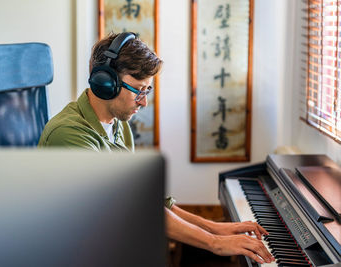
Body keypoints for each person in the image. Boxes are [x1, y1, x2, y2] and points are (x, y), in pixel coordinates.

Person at [38, 32, 275, 264]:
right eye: (138, 90)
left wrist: (215, 227)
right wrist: (214, 243)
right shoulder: (69, 136)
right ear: (105, 83)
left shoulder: (118, 125)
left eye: (147, 90)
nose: (144, 101)